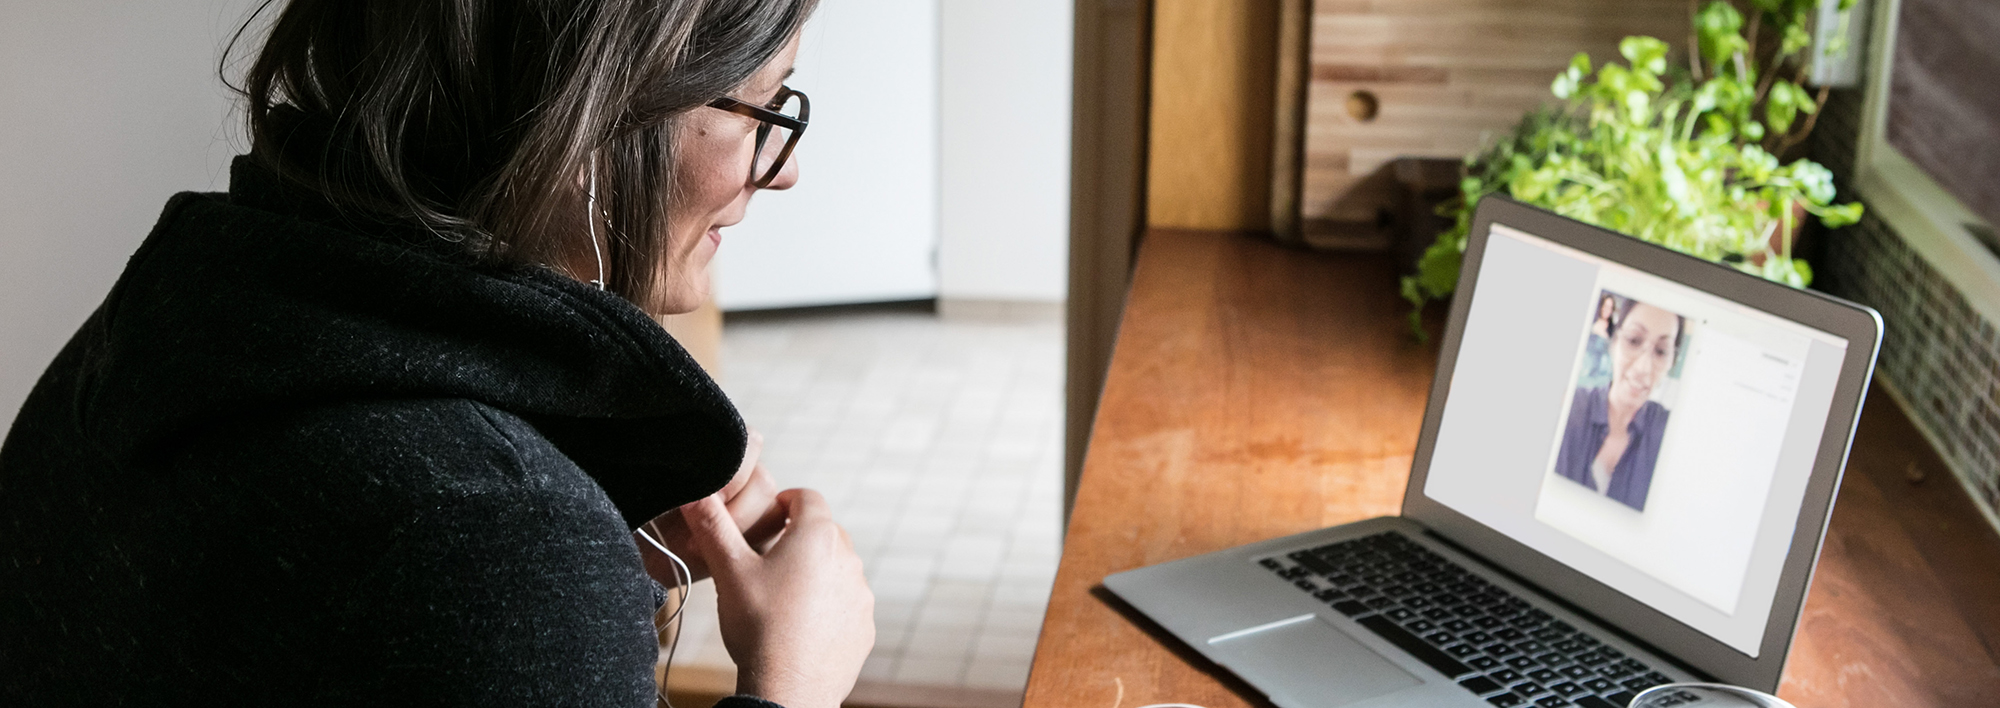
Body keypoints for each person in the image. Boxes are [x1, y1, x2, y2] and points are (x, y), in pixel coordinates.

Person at [0, 1, 874, 706]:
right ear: (596, 112)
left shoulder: (184, 304)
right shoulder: (499, 531)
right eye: (764, 107)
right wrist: (793, 683)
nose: (782, 169)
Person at [1551, 299, 1684, 512]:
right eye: (1633, 340)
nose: (1644, 367)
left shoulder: (1671, 433)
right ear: (1614, 343)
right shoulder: (1568, 408)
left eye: (1660, 352)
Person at [1578, 293, 1620, 390]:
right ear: (1601, 306)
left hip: (1603, 374)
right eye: (1605, 306)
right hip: (1588, 370)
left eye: (1610, 307)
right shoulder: (1591, 321)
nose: (1607, 310)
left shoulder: (1612, 329)